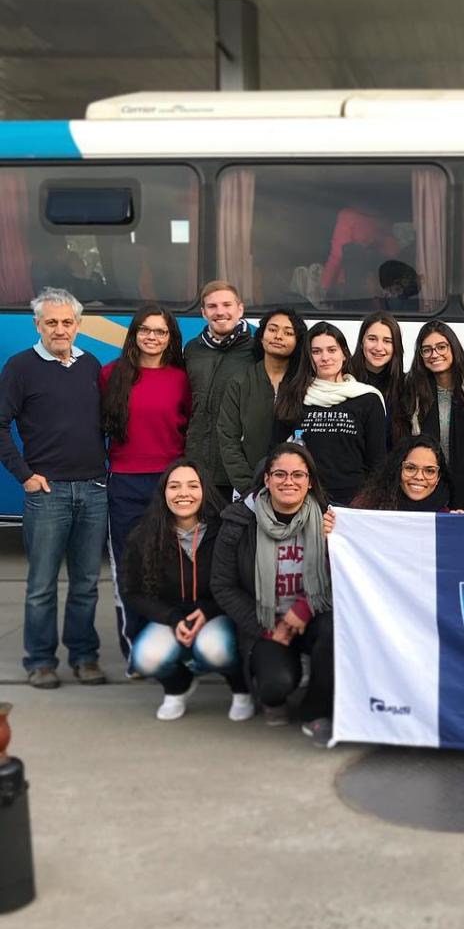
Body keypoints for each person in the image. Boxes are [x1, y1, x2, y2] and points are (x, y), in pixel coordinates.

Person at [0, 288, 109, 688]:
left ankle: (84, 657)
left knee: (86, 584)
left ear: (78, 325)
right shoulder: (20, 367)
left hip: (94, 489)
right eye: (51, 323)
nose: (60, 329)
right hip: (47, 494)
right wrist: (25, 475)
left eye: (67, 322)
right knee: (41, 586)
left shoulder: (90, 364)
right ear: (37, 325)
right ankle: (41, 661)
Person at [211, 443, 334, 745]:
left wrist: (304, 608)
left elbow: (343, 575)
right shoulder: (239, 522)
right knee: (274, 685)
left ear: (310, 481)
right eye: (279, 474)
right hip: (265, 621)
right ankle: (280, 686)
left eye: (297, 475)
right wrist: (266, 627)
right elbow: (222, 585)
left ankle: (316, 712)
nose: (288, 482)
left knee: (333, 631)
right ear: (266, 479)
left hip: (312, 615)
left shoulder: (328, 521)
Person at [121, 460, 252, 722]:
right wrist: (171, 618)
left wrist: (208, 610)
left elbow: (242, 584)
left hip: (216, 614)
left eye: (193, 486)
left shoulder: (224, 530)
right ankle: (177, 686)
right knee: (144, 658)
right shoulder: (144, 534)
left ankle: (241, 689)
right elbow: (132, 591)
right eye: (174, 486)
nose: (183, 493)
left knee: (215, 648)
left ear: (204, 490)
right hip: (171, 616)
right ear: (163, 493)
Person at [101, 305, 190, 660]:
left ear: (170, 338)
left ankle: (173, 645)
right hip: (124, 483)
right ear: (134, 333)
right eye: (145, 330)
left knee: (172, 567)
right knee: (130, 566)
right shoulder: (110, 374)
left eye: (160, 331)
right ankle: (135, 649)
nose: (152, 337)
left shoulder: (182, 378)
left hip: (171, 485)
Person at [273, 322, 386, 506]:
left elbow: (377, 461)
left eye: (332, 350)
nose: (325, 357)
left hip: (354, 502)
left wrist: (366, 501)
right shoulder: (294, 396)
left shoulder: (368, 398)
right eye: (316, 351)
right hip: (304, 500)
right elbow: (276, 452)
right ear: (309, 357)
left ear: (344, 354)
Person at [217, 307, 306, 498]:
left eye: (288, 333)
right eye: (272, 329)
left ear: (298, 342)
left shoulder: (304, 383)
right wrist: (248, 487)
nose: (278, 336)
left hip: (293, 489)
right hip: (248, 490)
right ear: (261, 336)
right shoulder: (241, 381)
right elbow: (228, 438)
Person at [184, 280, 254, 500]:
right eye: (212, 306)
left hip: (237, 468)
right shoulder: (192, 349)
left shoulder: (256, 350)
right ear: (203, 313)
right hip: (197, 465)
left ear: (240, 309)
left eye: (227, 305)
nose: (220, 312)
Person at [406, 321, 464, 509]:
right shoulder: (411, 391)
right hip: (425, 488)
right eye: (427, 350)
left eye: (441, 347)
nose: (434, 354)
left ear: (453, 347)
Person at [347, 311, 409, 447]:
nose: (378, 347)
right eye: (372, 339)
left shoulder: (404, 385)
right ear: (362, 342)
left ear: (396, 346)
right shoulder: (343, 380)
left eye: (387, 341)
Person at [352, 435, 452, 512]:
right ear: (397, 470)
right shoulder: (367, 507)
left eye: (429, 471)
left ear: (438, 477)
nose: (419, 477)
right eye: (410, 468)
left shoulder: (446, 517)